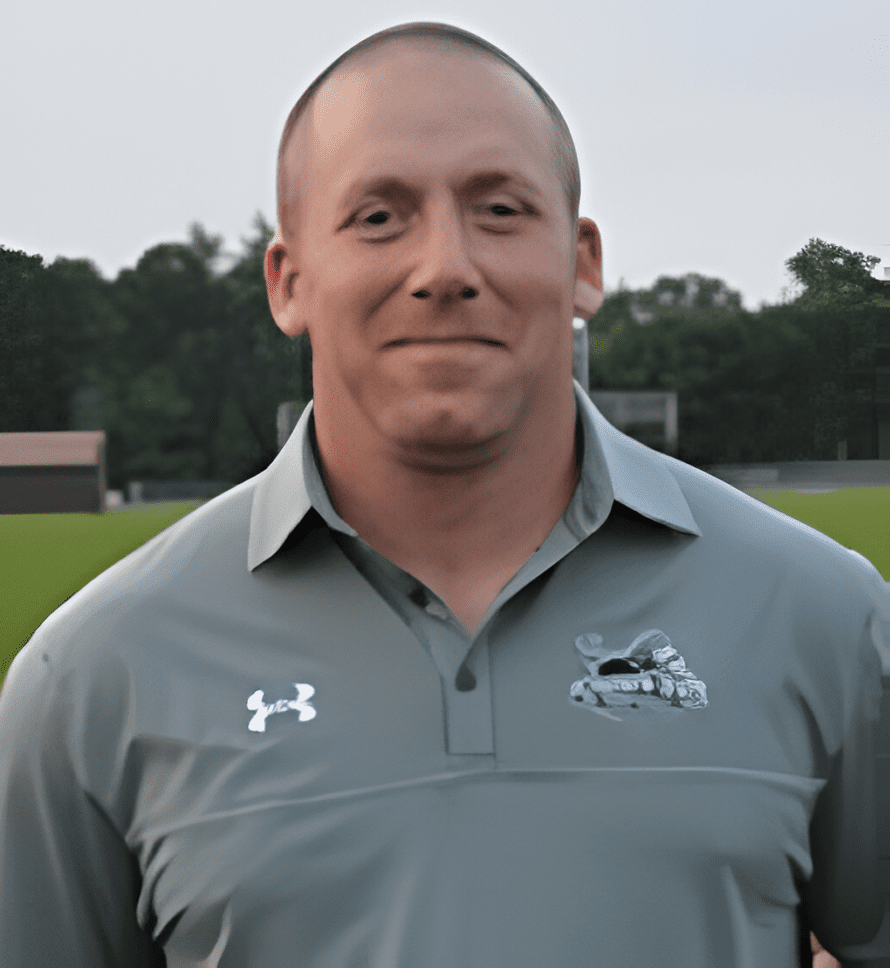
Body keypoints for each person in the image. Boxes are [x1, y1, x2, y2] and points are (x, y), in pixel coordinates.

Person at [1, 21, 888, 968]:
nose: (446, 270)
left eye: (500, 209)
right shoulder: (94, 678)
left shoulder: (822, 619)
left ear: (582, 262)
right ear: (289, 280)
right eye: (379, 216)